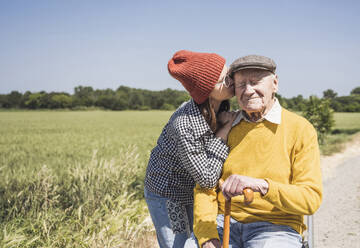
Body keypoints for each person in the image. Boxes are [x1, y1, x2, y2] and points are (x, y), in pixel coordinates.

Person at [192, 55, 323, 248]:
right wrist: (207, 236)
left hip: (277, 226)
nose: (248, 91)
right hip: (223, 221)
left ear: (275, 84)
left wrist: (262, 186)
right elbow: (205, 186)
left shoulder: (300, 129)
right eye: (241, 84)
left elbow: (310, 199)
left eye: (255, 82)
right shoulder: (225, 126)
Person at [144, 50, 239, 248]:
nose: (231, 81)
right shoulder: (185, 124)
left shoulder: (219, 108)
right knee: (178, 244)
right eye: (224, 79)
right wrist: (224, 132)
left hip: (191, 189)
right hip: (169, 192)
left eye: (230, 74)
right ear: (206, 90)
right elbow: (206, 178)